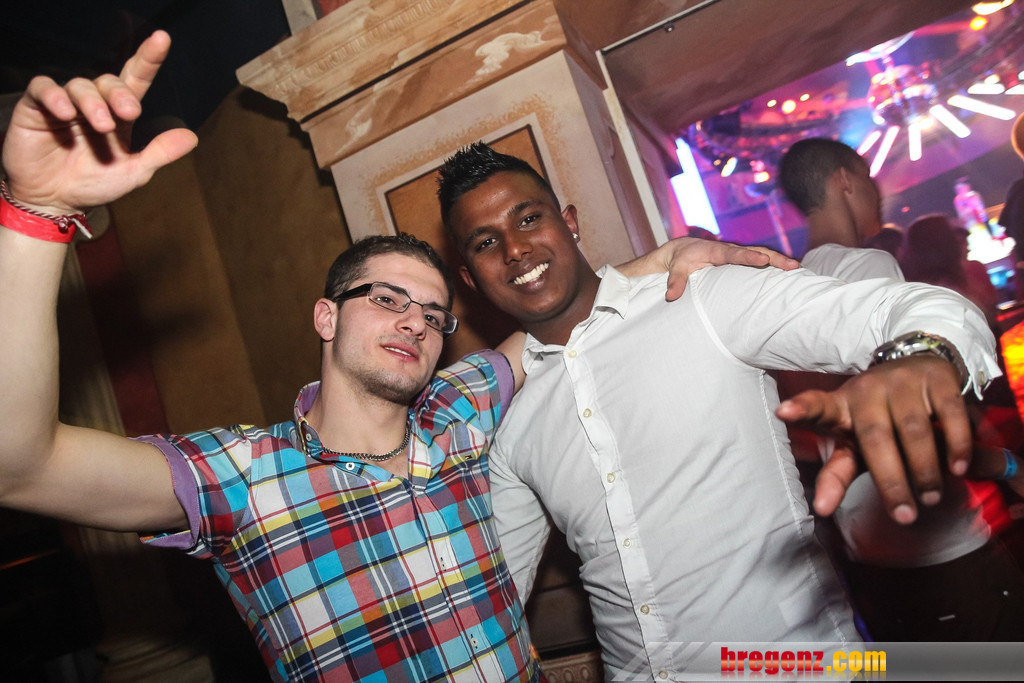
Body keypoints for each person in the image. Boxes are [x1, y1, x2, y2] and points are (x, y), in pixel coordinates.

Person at [0, 31, 801, 682]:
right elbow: (21, 465)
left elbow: (558, 312)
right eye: (385, 298)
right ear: (326, 315)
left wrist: (670, 255)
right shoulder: (243, 475)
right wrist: (37, 214)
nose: (414, 322)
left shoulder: (461, 408)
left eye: (432, 313)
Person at [437, 142, 1003, 678]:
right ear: (469, 278)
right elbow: (489, 600)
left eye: (528, 219)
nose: (514, 250)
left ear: (570, 222)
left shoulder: (702, 300)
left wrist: (917, 357)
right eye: (485, 243)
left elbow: (909, 307)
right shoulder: (513, 424)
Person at [778, 138, 1024, 642]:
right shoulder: (866, 267)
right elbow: (910, 417)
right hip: (939, 548)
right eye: (868, 178)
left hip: (868, 554)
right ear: (844, 182)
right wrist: (1008, 466)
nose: (879, 192)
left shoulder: (789, 287)